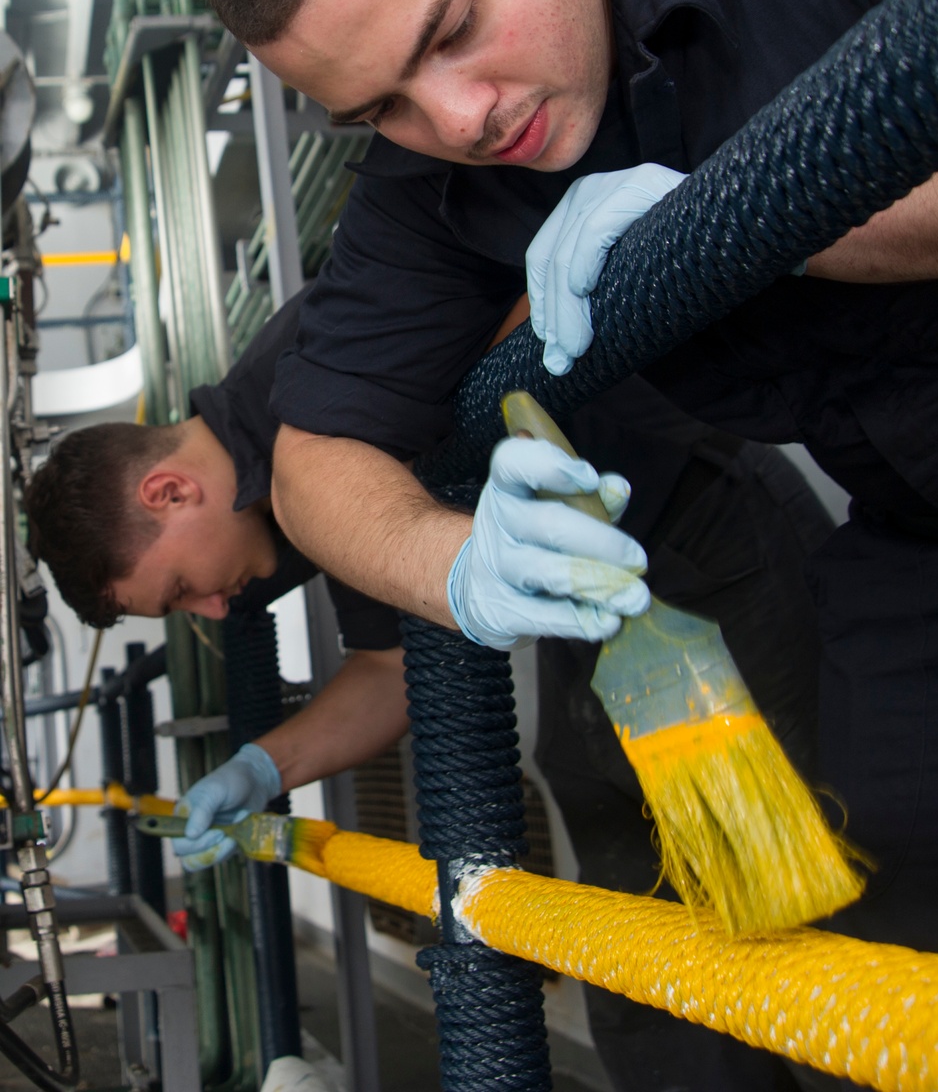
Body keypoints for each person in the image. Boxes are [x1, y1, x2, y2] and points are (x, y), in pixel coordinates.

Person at [190, 0, 938, 1041]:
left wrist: (764, 208)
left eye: (452, 29)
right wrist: (460, 562)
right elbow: (311, 464)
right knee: (902, 983)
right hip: (922, 543)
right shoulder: (446, 171)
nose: (454, 117)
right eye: (381, 107)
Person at [26, 289, 835, 1092]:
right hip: (591, 612)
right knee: (621, 890)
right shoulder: (291, 500)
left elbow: (521, 284)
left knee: (816, 876)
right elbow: (390, 671)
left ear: (169, 493)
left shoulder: (310, 369)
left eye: (178, 591)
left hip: (693, 538)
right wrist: (261, 769)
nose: (212, 608)